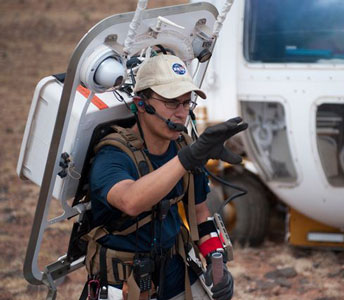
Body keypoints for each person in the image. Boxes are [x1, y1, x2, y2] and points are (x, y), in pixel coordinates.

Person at [87, 54, 247, 300]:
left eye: (186, 103)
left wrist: (216, 260)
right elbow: (130, 201)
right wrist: (186, 160)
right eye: (172, 103)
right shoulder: (112, 156)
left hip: (174, 269)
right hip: (124, 282)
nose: (182, 113)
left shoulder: (183, 146)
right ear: (141, 104)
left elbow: (200, 212)